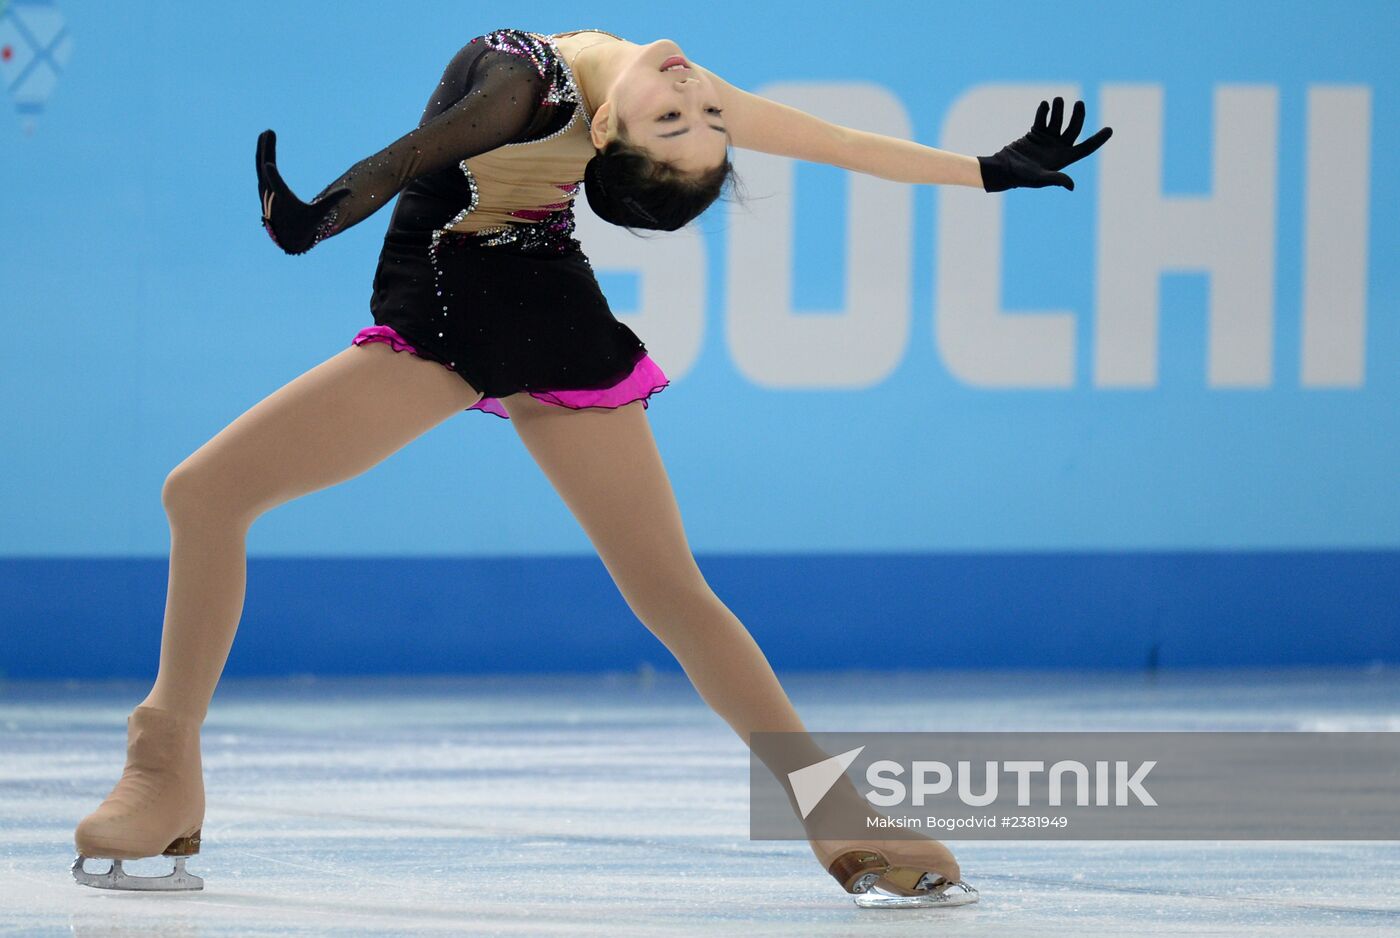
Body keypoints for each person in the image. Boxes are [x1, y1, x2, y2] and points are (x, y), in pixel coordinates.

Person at [70, 26, 1111, 905]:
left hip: (480, 312)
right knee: (207, 495)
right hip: (493, 310)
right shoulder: (630, 83)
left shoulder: (530, 82)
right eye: (695, 119)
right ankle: (165, 776)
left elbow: (417, 153)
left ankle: (161, 773)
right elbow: (834, 140)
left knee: (665, 587)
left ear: (606, 133)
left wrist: (313, 218)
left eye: (691, 122)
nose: (697, 104)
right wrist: (984, 168)